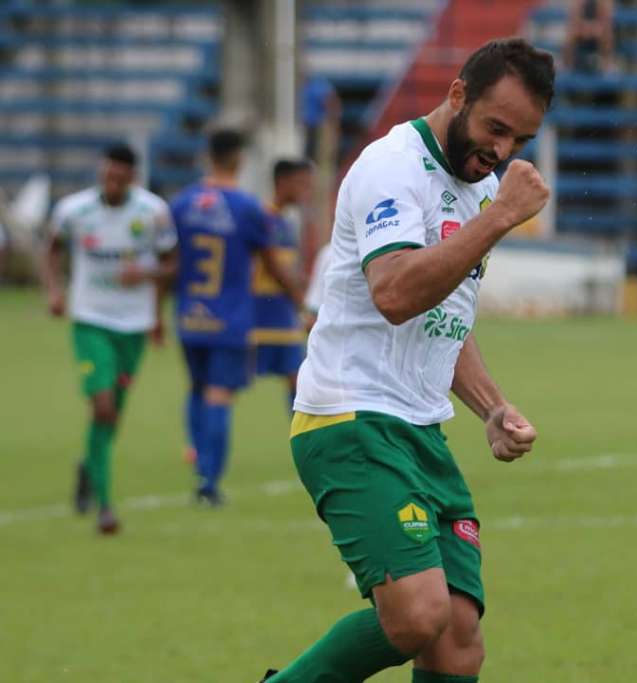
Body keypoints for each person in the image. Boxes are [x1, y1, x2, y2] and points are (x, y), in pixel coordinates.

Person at [261, 38, 554, 683]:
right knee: (417, 617)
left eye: (520, 141)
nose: (502, 152)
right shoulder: (391, 168)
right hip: (350, 419)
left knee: (458, 642)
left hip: (420, 430)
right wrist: (501, 216)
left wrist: (492, 406)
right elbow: (396, 293)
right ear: (457, 96)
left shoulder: (478, 190)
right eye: (495, 128)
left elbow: (443, 317)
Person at [41, 144, 177, 534]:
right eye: (107, 176)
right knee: (101, 407)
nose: (112, 183)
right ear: (101, 173)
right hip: (89, 320)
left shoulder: (152, 213)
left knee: (112, 411)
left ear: (132, 178)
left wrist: (148, 281)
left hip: (132, 326)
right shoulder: (73, 210)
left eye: (120, 178)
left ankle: (89, 464)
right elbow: (51, 250)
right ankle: (105, 505)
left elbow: (172, 263)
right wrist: (53, 291)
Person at [172, 130, 302, 505]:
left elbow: (171, 259)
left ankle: (199, 467)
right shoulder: (246, 208)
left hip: (189, 315)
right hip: (228, 319)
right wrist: (299, 300)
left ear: (208, 157)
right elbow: (272, 264)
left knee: (196, 389)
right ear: (239, 161)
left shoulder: (182, 204)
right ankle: (208, 483)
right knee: (218, 393)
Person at [252, 159, 314, 412]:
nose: (306, 191)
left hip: (282, 313)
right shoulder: (263, 217)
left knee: (299, 383)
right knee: (223, 385)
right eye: (302, 184)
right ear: (283, 182)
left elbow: (287, 269)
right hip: (261, 314)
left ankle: (304, 437)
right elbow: (275, 270)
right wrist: (303, 303)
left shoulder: (285, 222)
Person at [563, 0, 615, 73]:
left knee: (607, 34)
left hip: (598, 28)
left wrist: (594, 28)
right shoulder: (577, 2)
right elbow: (574, 18)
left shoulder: (604, 2)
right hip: (581, 28)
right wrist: (584, 28)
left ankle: (606, 65)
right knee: (570, 33)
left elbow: (606, 20)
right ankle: (567, 66)